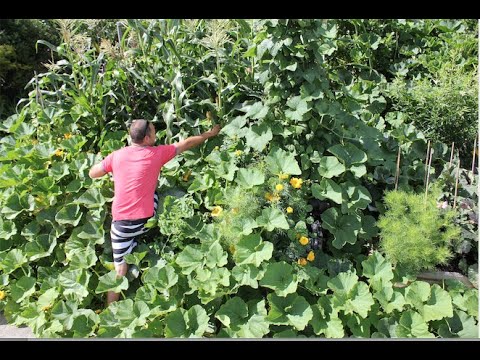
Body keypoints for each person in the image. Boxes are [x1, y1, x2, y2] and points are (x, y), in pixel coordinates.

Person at [89, 119, 221, 304]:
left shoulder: (116, 155)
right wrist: (210, 134)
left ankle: (110, 312)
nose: (156, 134)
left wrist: (114, 172)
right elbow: (186, 143)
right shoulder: (156, 153)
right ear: (146, 138)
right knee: (156, 194)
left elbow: (93, 173)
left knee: (119, 271)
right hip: (145, 221)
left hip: (121, 226)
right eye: (153, 131)